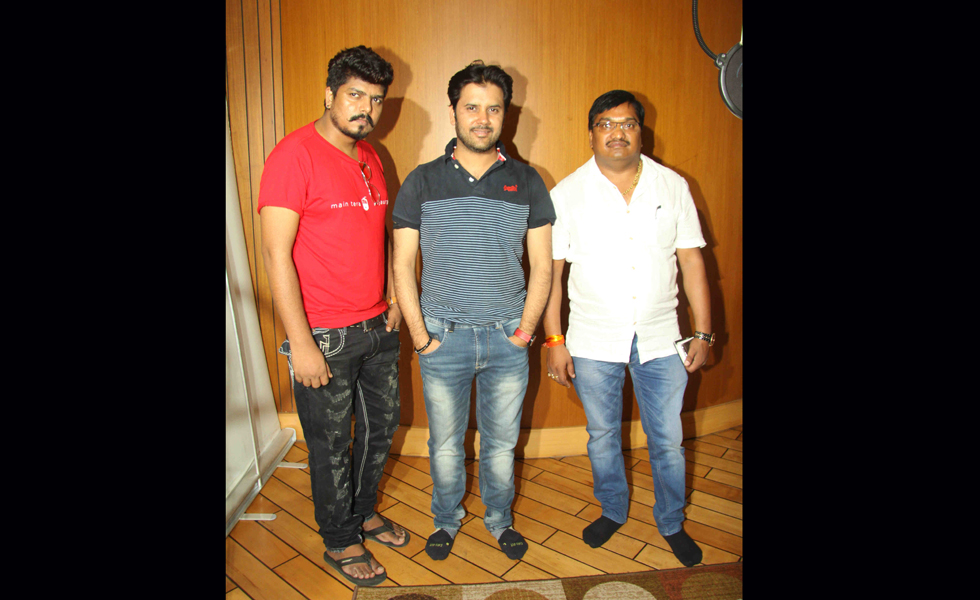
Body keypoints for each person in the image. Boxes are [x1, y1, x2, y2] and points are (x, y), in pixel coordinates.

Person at [257, 45, 409, 587]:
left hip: (377, 328)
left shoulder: (372, 156)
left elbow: (386, 235)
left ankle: (363, 512)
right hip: (324, 334)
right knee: (330, 444)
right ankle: (340, 538)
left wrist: (393, 297)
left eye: (375, 99)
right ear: (329, 94)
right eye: (354, 95)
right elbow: (276, 253)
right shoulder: (293, 155)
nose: (365, 109)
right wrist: (300, 343)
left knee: (379, 430)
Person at [541, 90, 713, 568]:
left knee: (668, 440)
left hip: (662, 338)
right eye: (605, 123)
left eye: (628, 123)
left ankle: (672, 520)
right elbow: (553, 275)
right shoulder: (567, 193)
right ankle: (613, 510)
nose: (617, 132)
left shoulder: (673, 185)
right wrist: (555, 341)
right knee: (601, 436)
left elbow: (691, 259)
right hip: (593, 340)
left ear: (642, 130)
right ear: (592, 132)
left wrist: (704, 331)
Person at [392, 61, 555, 562]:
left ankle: (499, 520)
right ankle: (446, 520)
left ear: (505, 115)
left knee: (501, 449)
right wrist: (421, 338)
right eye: (472, 108)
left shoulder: (528, 180)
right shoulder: (422, 181)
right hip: (444, 338)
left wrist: (526, 333)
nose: (482, 118)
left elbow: (543, 266)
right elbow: (401, 266)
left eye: (493, 108)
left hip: (508, 339)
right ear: (453, 113)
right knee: (444, 448)